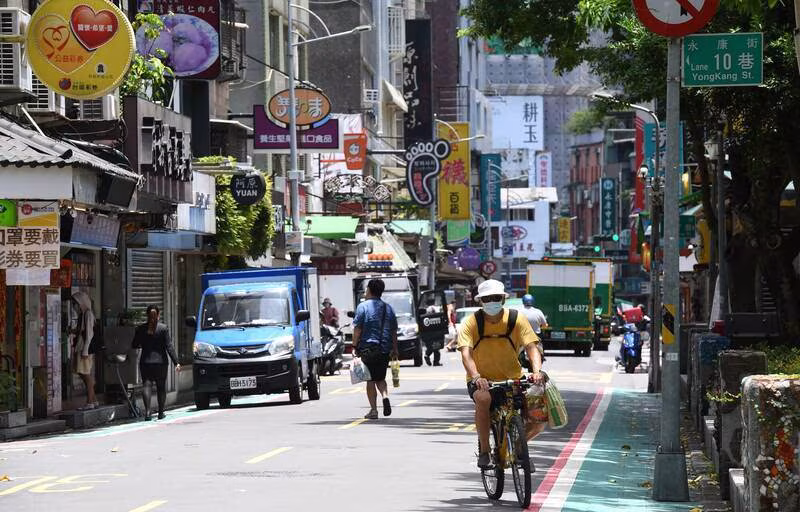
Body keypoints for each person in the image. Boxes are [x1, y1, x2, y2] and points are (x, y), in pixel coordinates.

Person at [458, 279, 545, 469]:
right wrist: (476, 376)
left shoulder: (516, 319)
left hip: (514, 378)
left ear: (503, 299)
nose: (492, 302)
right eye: (487, 299)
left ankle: (520, 446)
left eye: (496, 298)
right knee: (483, 399)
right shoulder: (471, 322)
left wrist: (537, 372)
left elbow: (532, 347)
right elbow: (466, 354)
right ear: (480, 301)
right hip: (482, 381)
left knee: (538, 418)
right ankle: (484, 451)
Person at [352, 279, 398, 419]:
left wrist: (354, 346)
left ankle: (373, 410)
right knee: (381, 378)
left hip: (368, 348)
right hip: (384, 349)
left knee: (370, 380)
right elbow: (393, 331)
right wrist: (395, 348)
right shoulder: (388, 308)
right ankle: (385, 396)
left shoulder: (363, 307)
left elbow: (358, 329)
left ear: (369, 290)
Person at [132, 305, 181, 420]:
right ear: (158, 315)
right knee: (161, 387)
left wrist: (142, 343)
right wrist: (176, 362)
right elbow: (169, 346)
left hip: (145, 362)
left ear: (147, 315)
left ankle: (148, 413)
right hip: (161, 362)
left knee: (146, 385)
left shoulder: (141, 329)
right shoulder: (163, 328)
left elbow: (134, 344)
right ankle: (160, 413)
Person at [71, 291, 97, 410]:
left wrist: (85, 350)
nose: (75, 306)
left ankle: (89, 402)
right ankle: (94, 400)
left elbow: (89, 334)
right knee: (83, 373)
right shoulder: (83, 315)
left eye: (76, 303)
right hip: (81, 347)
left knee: (85, 374)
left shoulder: (88, 314)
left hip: (84, 349)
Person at [424, 298, 443, 366]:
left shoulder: (427, 310)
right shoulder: (435, 308)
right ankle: (435, 361)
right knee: (436, 346)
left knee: (432, 345)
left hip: (429, 330)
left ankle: (429, 356)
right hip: (436, 330)